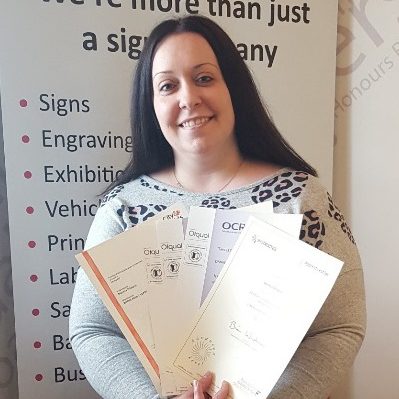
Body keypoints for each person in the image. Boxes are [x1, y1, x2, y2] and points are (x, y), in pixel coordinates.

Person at [69, 15, 366, 399]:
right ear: (152, 105)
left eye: (204, 78)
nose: (188, 98)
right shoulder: (124, 209)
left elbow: (341, 325)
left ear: (234, 89)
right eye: (167, 86)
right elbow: (93, 330)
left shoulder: (299, 198)